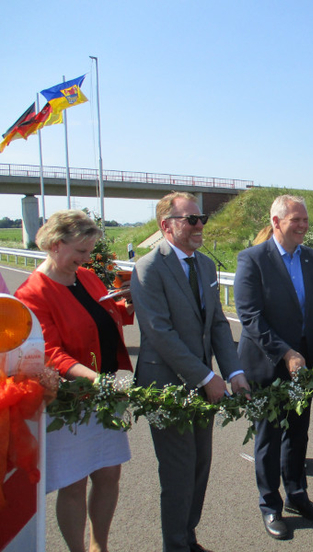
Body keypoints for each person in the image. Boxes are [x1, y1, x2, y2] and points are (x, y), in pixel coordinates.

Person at [130, 192, 248, 552]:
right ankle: (175, 546)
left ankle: (187, 537)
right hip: (166, 385)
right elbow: (160, 333)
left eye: (202, 219)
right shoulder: (149, 268)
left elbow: (216, 326)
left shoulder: (205, 266)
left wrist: (234, 371)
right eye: (191, 220)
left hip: (202, 384)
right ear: (167, 225)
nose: (199, 226)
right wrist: (206, 377)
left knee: (200, 466)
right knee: (179, 473)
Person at [14, 209, 135, 552]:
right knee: (74, 483)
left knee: (110, 473)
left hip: (103, 388)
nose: (85, 259)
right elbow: (51, 353)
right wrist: (94, 379)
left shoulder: (86, 277)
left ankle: (100, 545)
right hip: (71, 399)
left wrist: (130, 301)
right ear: (54, 244)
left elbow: (109, 313)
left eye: (89, 252)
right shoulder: (33, 293)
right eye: (80, 252)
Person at [234, 194, 313, 540]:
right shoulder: (252, 259)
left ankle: (297, 496)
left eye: (306, 220)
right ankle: (270, 506)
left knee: (298, 432)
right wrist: (285, 352)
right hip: (267, 363)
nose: (304, 226)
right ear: (276, 221)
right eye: (297, 220)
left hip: (305, 365)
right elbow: (250, 316)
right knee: (268, 437)